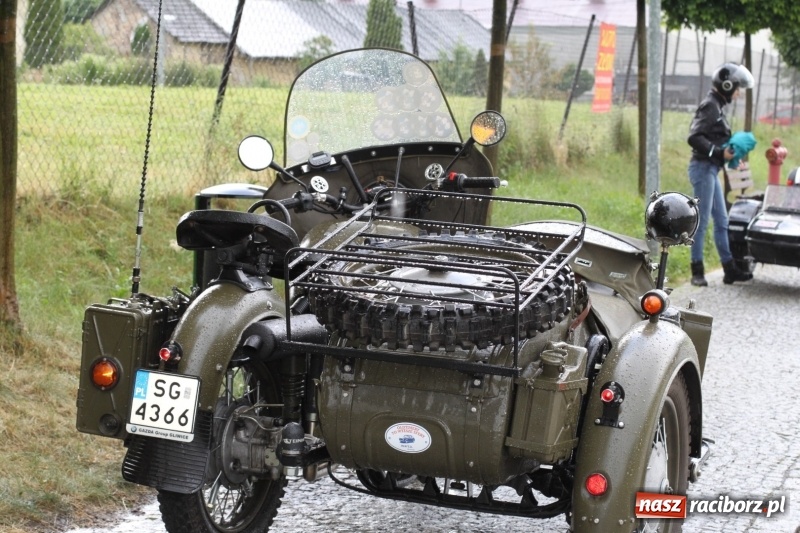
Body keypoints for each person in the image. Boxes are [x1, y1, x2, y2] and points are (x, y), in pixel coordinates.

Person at [686, 62, 755, 286]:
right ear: (727, 85)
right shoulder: (710, 106)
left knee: (722, 220)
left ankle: (729, 269)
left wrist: (731, 156)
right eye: (737, 88)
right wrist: (718, 152)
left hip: (711, 169)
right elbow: (694, 137)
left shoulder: (717, 106)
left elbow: (716, 139)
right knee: (702, 220)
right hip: (702, 168)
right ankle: (697, 271)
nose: (738, 93)